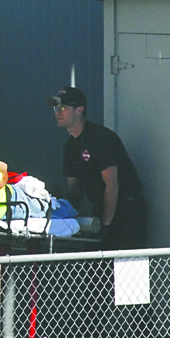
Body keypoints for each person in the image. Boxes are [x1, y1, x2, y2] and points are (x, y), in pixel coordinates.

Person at [48, 86, 146, 249]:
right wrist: (59, 205)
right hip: (100, 212)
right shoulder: (69, 147)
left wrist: (106, 225)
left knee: (128, 269)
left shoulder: (101, 138)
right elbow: (75, 187)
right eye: (56, 108)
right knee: (96, 270)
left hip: (127, 213)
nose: (58, 112)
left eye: (63, 107)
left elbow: (112, 185)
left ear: (79, 109)